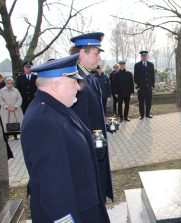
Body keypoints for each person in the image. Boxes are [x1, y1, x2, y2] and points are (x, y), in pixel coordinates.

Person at [21, 54, 110, 222]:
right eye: (73, 82)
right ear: (55, 86)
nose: (78, 87)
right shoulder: (42, 121)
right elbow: (53, 189)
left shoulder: (58, 107)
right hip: (74, 214)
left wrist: (94, 148)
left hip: (85, 207)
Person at [69, 32, 113, 203]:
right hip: (88, 149)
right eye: (96, 53)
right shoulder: (77, 81)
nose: (99, 58)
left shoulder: (88, 76)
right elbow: (79, 121)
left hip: (96, 145)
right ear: (81, 54)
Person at [134, 50, 155, 120]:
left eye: (145, 56)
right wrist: (137, 85)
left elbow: (152, 75)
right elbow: (136, 76)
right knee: (141, 101)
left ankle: (148, 113)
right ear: (141, 57)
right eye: (142, 56)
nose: (144, 57)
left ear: (147, 56)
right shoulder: (137, 65)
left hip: (148, 86)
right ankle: (142, 115)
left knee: (148, 100)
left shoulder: (151, 65)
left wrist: (152, 84)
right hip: (141, 86)